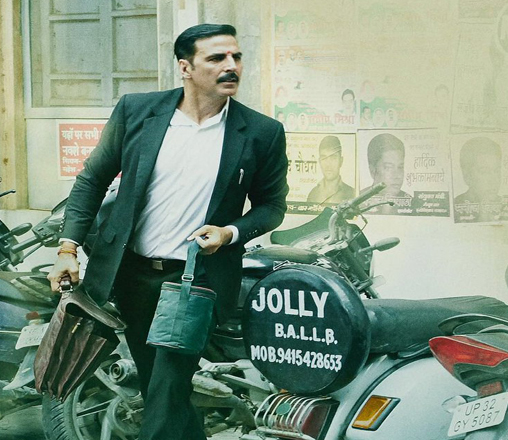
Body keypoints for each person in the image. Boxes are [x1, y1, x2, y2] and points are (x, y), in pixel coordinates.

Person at [47, 23, 288, 440]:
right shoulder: (137, 111)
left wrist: (229, 232)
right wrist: (67, 248)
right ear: (185, 67)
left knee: (168, 383)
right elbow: (92, 179)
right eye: (216, 58)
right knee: (158, 387)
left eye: (236, 57)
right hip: (132, 274)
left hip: (197, 282)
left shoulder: (261, 132)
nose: (231, 66)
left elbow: (272, 207)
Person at [454, 136, 502, 222]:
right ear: (467, 176)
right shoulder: (455, 206)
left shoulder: (507, 206)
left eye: (497, 171)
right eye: (484, 172)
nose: (494, 180)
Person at [363, 133, 413, 214]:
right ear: (372, 171)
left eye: (400, 167)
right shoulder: (359, 200)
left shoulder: (412, 203)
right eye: (388, 168)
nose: (397, 176)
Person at [307, 135, 355, 204]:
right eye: (324, 158)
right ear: (320, 161)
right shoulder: (313, 194)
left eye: (333, 158)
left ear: (341, 161)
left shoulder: (351, 193)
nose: (328, 164)